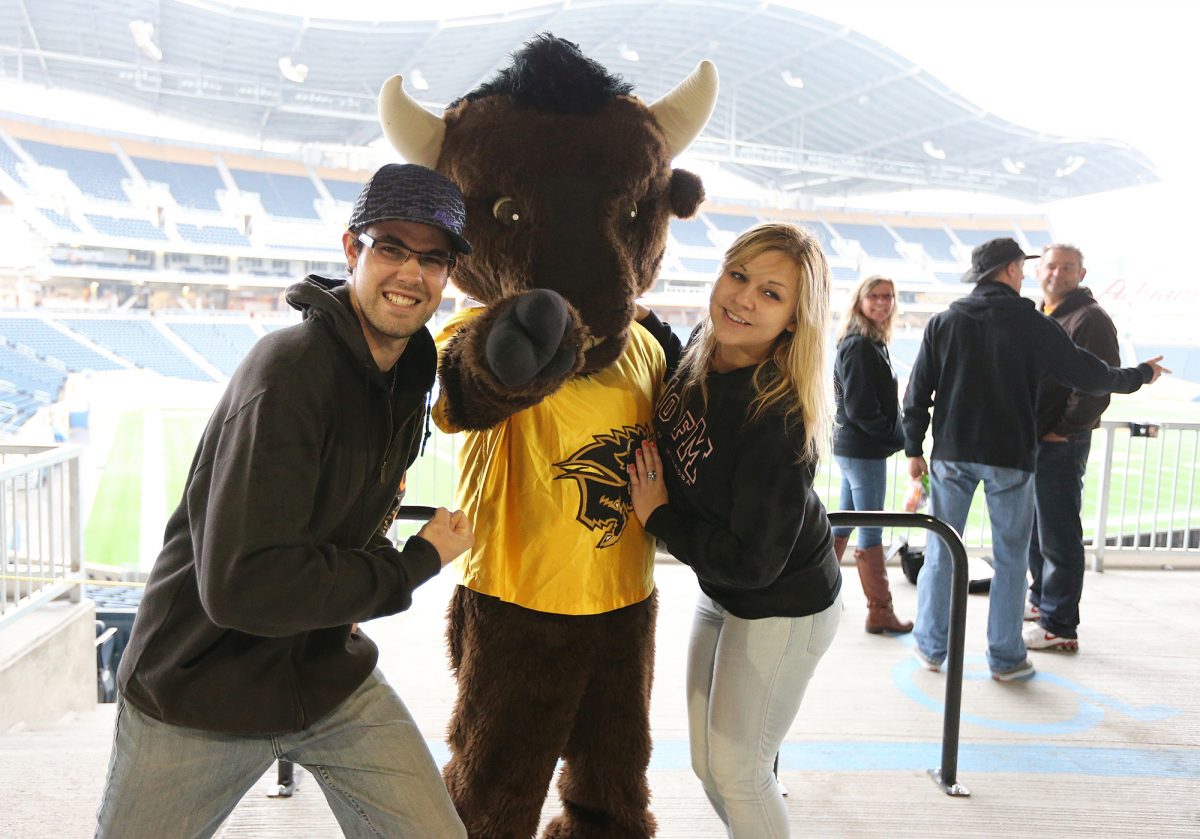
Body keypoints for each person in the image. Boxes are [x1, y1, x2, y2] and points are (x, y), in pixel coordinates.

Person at [95, 163, 475, 838]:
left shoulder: (409, 373)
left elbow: (353, 512)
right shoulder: (291, 373)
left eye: (432, 258)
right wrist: (414, 562)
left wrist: (349, 595)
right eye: (391, 247)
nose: (411, 273)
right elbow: (245, 586)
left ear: (448, 274)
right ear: (352, 249)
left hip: (324, 678)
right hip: (199, 688)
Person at [629, 222, 842, 838]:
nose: (743, 299)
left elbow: (755, 562)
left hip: (782, 605)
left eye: (771, 294)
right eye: (738, 275)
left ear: (795, 319)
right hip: (723, 590)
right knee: (709, 765)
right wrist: (643, 319)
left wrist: (659, 516)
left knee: (741, 772)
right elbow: (690, 384)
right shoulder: (709, 345)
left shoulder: (778, 418)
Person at [903, 237, 1167, 683]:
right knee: (1010, 559)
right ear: (1010, 270)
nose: (1026, 275)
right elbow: (1090, 374)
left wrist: (914, 449)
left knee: (941, 553)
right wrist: (1141, 374)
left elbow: (916, 394)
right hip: (1012, 456)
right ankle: (1005, 658)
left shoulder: (944, 321)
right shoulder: (1032, 323)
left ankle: (930, 648)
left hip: (953, 453)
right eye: (1021, 268)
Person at [1025, 244, 1118, 652]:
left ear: (1081, 274)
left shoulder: (1089, 318)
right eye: (1051, 266)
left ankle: (1060, 624)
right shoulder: (1044, 314)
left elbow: (1097, 384)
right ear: (1038, 271)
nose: (1057, 273)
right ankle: (1041, 600)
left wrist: (1063, 430)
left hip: (1059, 443)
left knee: (1058, 534)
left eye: (1067, 267)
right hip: (1036, 439)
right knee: (1036, 529)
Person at [832, 274, 911, 633]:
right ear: (860, 301)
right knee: (871, 529)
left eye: (888, 296)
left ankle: (819, 591)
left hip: (857, 449)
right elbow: (860, 407)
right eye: (875, 296)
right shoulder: (860, 345)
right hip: (863, 452)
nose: (882, 302)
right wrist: (893, 436)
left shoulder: (870, 341)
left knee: (844, 522)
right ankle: (879, 610)